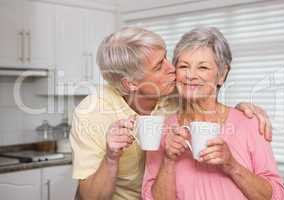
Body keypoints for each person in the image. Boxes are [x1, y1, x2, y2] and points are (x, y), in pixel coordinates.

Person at [70, 27, 273, 200]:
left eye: (167, 57)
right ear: (131, 83)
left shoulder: (173, 89)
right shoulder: (92, 113)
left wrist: (244, 109)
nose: (173, 69)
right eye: (159, 66)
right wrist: (112, 157)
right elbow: (90, 196)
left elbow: (206, 89)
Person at [142, 27, 284, 200]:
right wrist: (168, 159)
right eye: (183, 66)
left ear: (222, 74)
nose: (191, 75)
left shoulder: (249, 123)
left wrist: (231, 165)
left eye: (202, 67)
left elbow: (278, 197)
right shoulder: (163, 129)